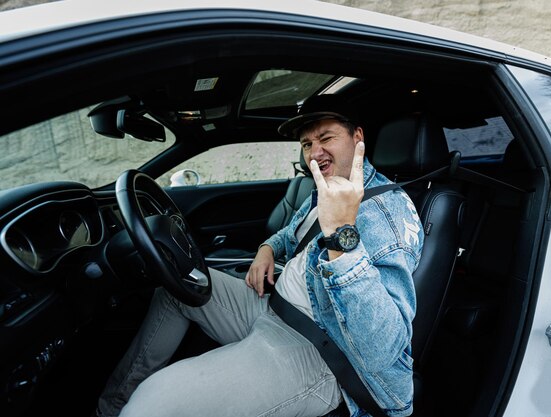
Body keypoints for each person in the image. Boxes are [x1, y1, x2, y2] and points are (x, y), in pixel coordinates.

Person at [96, 94, 424, 417]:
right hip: (273, 307)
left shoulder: (386, 217)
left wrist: (340, 234)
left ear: (358, 136)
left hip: (319, 351)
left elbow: (382, 349)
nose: (315, 152)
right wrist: (267, 249)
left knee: (153, 403)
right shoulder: (329, 187)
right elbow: (291, 231)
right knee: (175, 289)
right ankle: (109, 409)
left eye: (326, 138)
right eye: (307, 144)